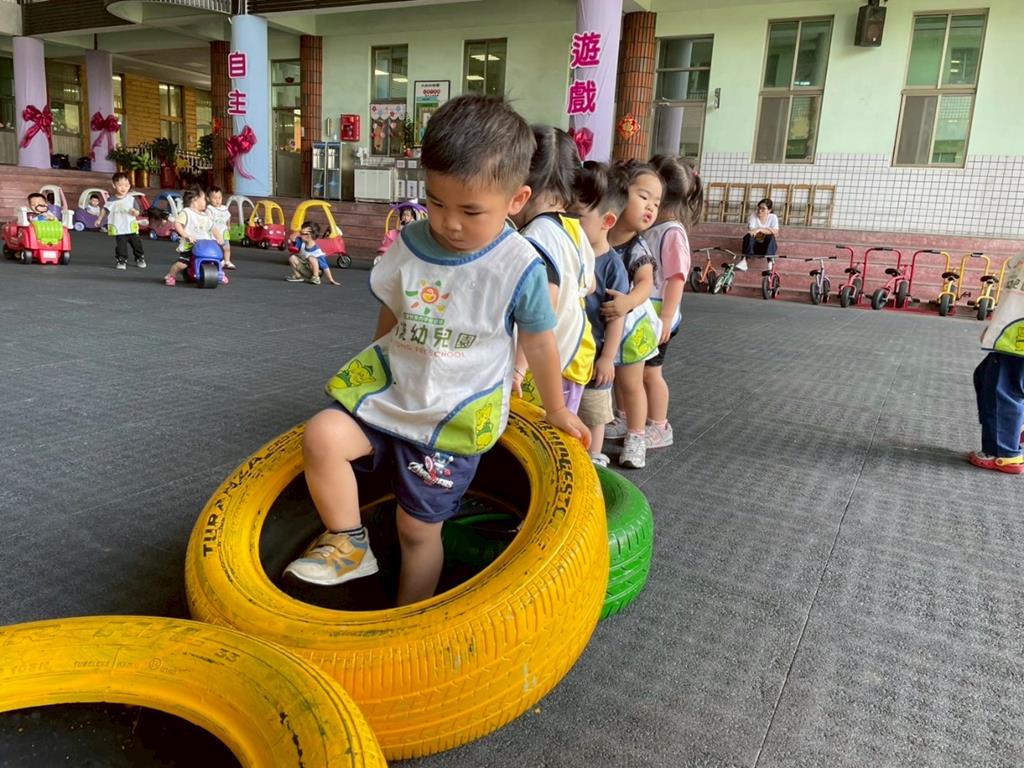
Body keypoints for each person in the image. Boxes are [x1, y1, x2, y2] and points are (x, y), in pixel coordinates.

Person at [282, 94, 590, 606]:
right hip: (394, 394)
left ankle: (412, 615)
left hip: (452, 416)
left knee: (416, 528)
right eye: (437, 202)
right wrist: (374, 366)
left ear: (517, 200)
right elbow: (393, 312)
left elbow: (539, 341)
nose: (449, 223)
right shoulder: (410, 242)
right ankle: (349, 541)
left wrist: (556, 408)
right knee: (322, 436)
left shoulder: (519, 266)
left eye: (471, 211)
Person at [511, 125, 596, 416]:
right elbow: (590, 284)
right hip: (576, 353)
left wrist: (518, 367)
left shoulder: (537, 236)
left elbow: (542, 304)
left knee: (534, 434)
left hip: (543, 367)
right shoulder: (573, 228)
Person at [599, 160, 663, 469]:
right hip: (605, 322)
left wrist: (628, 302)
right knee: (603, 379)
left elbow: (646, 283)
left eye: (656, 202)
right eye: (644, 196)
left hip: (631, 328)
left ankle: (636, 435)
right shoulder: (599, 233)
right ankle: (613, 422)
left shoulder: (637, 247)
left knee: (631, 384)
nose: (651, 207)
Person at [636, 154, 702, 449]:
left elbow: (677, 278)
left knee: (650, 373)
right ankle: (631, 417)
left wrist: (665, 318)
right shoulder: (654, 227)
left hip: (659, 315)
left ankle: (659, 426)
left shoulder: (672, 233)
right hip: (646, 313)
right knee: (635, 371)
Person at [572, 161, 630, 467]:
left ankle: (594, 457)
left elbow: (616, 316)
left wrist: (607, 357)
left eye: (578, 216)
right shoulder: (569, 251)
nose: (569, 222)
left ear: (607, 220)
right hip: (569, 353)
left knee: (593, 412)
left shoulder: (612, 266)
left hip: (595, 356)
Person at [970, 252, 1024, 474]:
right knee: (985, 377)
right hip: (1013, 332)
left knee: (1001, 389)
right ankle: (1015, 430)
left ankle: (1005, 453)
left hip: (1016, 338)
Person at [164, 185, 225, 286]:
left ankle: (219, 273)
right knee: (182, 264)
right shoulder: (187, 212)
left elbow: (213, 228)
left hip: (205, 245)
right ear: (195, 199)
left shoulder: (205, 216)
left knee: (218, 260)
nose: (206, 202)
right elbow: (178, 224)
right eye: (204, 199)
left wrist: (219, 237)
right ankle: (171, 275)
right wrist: (186, 235)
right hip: (190, 244)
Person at [96, 172, 145, 270]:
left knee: (137, 244)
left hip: (131, 227)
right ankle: (121, 260)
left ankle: (139, 257)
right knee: (121, 246)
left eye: (126, 185)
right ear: (114, 185)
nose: (123, 188)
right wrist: (99, 219)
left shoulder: (131, 199)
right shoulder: (111, 200)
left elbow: (138, 212)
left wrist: (134, 212)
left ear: (129, 186)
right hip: (119, 228)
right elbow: (105, 209)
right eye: (120, 185)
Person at [286, 221, 340, 285]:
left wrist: (331, 279)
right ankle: (298, 276)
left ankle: (316, 278)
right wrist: (298, 234)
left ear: (309, 235)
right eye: (301, 233)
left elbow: (325, 267)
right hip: (305, 269)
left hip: (315, 271)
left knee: (311, 258)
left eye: (303, 233)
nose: (300, 235)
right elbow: (292, 238)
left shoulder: (317, 251)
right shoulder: (301, 242)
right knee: (292, 257)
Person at [206, 187, 237, 270]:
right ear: (208, 199)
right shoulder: (209, 209)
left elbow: (228, 217)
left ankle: (227, 261)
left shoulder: (224, 208)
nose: (217, 200)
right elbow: (207, 221)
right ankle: (216, 261)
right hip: (214, 234)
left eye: (219, 198)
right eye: (214, 198)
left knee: (227, 248)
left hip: (223, 231)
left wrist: (228, 225)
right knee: (215, 248)